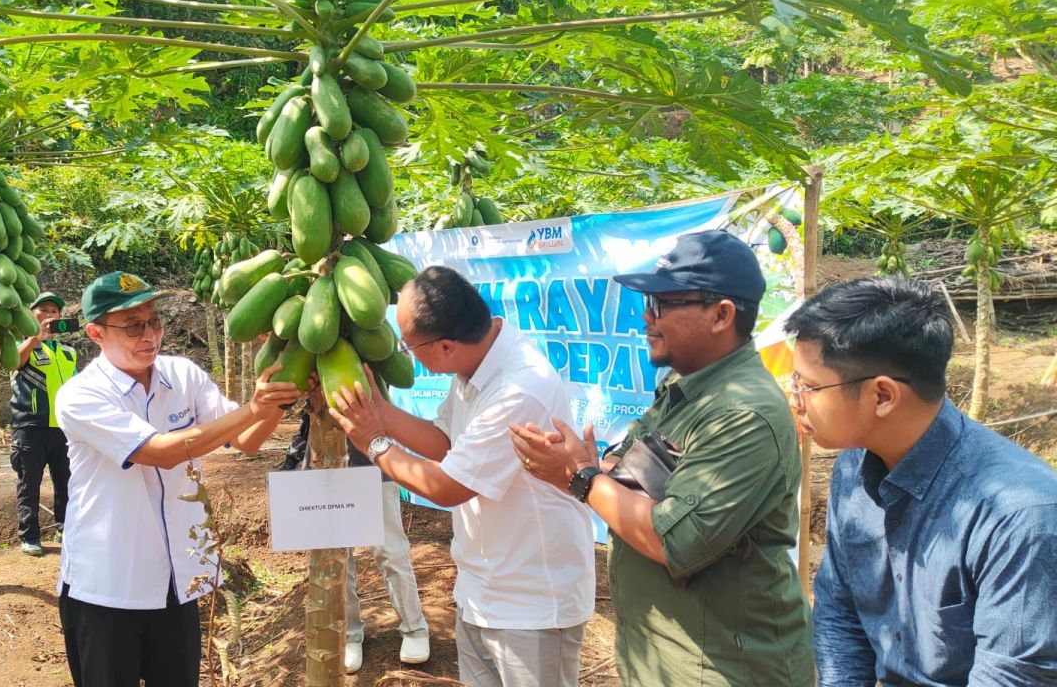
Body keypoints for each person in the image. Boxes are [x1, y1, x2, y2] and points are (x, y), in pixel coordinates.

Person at [510, 229, 814, 686]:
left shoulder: (743, 413)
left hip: (724, 670)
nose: (646, 318)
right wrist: (579, 470)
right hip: (665, 660)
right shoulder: (685, 386)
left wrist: (583, 477)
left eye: (662, 304)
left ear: (721, 315)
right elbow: (631, 477)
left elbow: (675, 543)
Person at [328, 265, 595, 687]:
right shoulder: (474, 367)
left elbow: (446, 487)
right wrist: (378, 411)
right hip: (481, 591)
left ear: (446, 346)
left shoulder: (519, 389)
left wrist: (374, 443)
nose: (407, 356)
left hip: (532, 605)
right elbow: (446, 441)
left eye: (410, 347)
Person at [785, 276, 1057, 686]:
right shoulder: (853, 467)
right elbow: (841, 613)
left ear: (882, 396)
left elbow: (1011, 676)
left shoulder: (1019, 516)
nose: (795, 400)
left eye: (807, 386)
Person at [55, 271, 306, 687]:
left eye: (154, 321)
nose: (149, 335)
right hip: (108, 586)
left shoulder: (183, 375)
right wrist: (252, 406)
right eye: (133, 326)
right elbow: (161, 452)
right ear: (95, 332)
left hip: (177, 580)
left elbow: (245, 439)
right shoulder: (82, 395)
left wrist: (277, 399)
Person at [279, 410, 431, 673]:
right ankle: (349, 634)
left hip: (374, 466)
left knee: (391, 551)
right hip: (323, 466)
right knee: (337, 556)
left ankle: (414, 628)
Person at [9, 291, 77, 556]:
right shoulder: (20, 345)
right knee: (30, 483)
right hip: (31, 427)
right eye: (44, 310)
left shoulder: (68, 352)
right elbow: (15, 362)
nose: (50, 315)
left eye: (55, 311)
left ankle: (65, 529)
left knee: (66, 482)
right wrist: (34, 337)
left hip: (64, 429)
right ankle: (30, 536)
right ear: (31, 314)